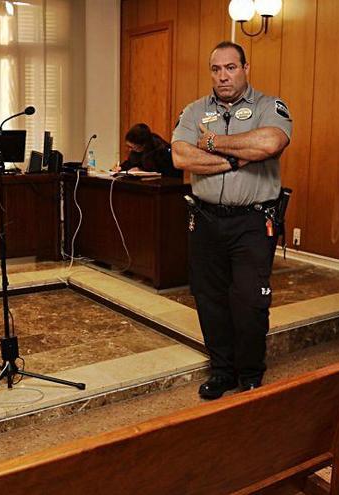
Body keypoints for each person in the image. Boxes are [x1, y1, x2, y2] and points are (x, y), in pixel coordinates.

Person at [171, 41, 291, 400]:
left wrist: (211, 144)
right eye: (216, 69)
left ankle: (251, 373)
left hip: (253, 223)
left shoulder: (269, 106)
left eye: (230, 67)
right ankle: (222, 371)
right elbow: (179, 155)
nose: (223, 76)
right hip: (206, 221)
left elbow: (269, 144)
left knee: (250, 301)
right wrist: (237, 158)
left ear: (245, 67)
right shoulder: (194, 111)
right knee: (209, 300)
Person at [115, 123, 182, 178]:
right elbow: (131, 163)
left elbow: (163, 172)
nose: (130, 150)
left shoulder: (161, 151)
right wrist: (121, 168)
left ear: (143, 145)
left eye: (132, 147)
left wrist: (141, 170)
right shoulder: (136, 151)